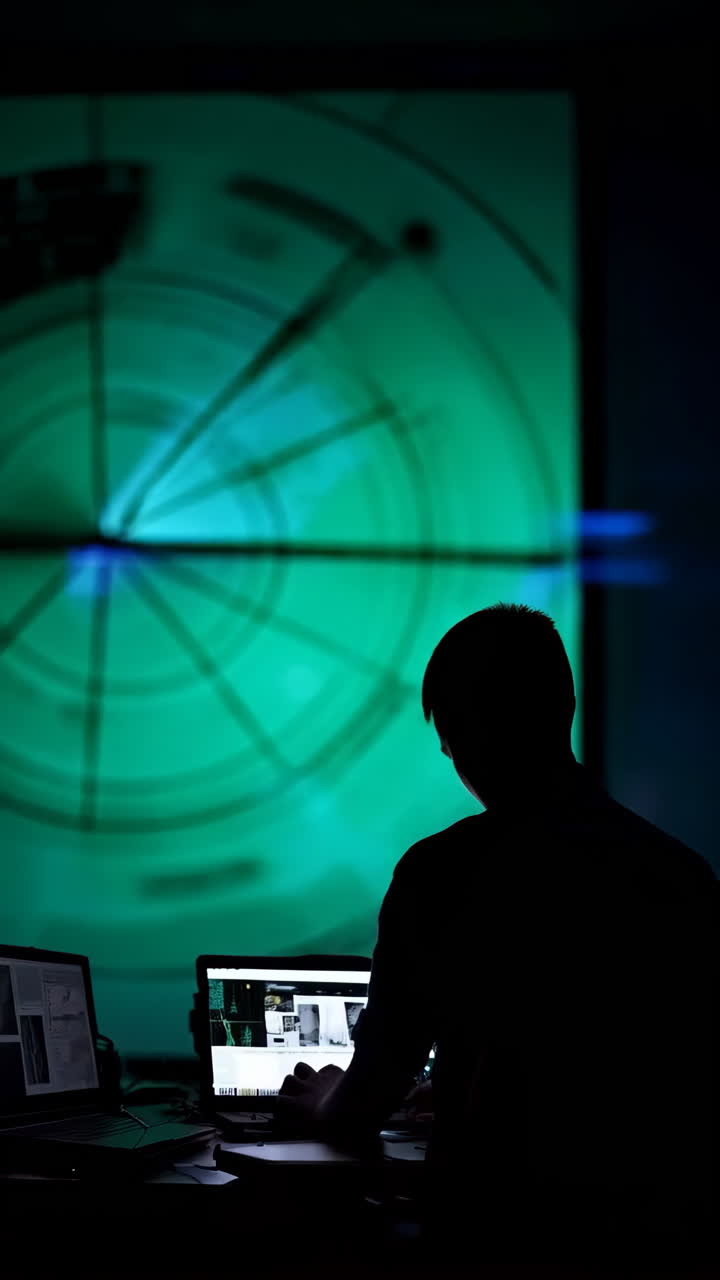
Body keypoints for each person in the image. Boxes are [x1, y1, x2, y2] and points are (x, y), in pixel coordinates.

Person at [277, 603, 717, 1268]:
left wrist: (321, 1103)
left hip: (498, 1238)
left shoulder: (442, 872)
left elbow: (369, 1094)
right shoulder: (683, 874)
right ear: (565, 706)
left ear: (454, 732)